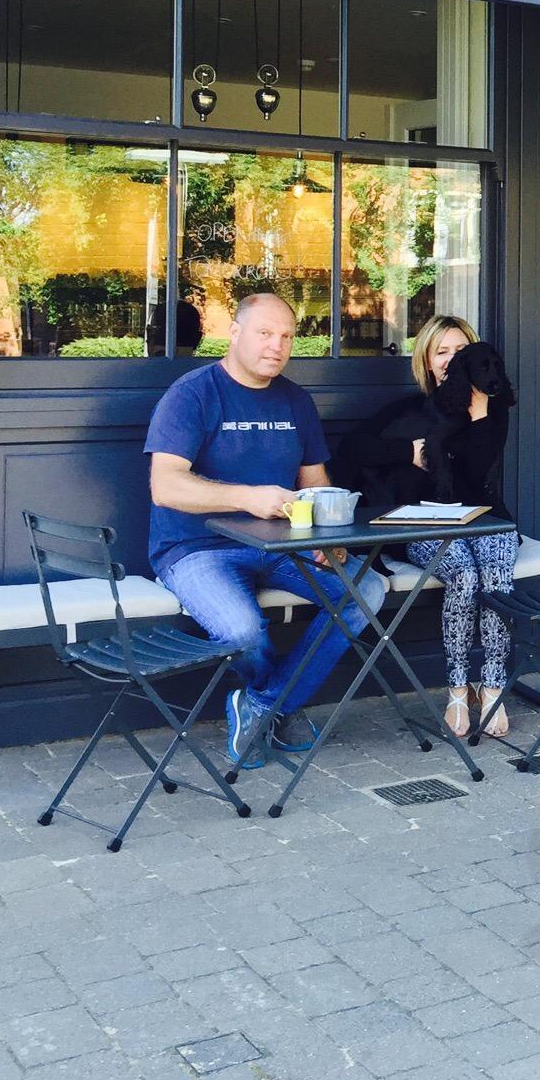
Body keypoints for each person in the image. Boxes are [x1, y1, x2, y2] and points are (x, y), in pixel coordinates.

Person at [147, 292, 385, 770]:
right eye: (265, 333)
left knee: (366, 590)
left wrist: (329, 540)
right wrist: (247, 497)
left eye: (287, 337)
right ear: (235, 333)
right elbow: (165, 486)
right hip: (196, 549)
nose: (277, 346)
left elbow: (315, 484)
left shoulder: (295, 400)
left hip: (281, 546)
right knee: (241, 630)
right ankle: (280, 706)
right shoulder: (192, 394)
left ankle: (262, 704)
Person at [334, 316, 520, 738]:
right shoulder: (409, 409)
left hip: (485, 517)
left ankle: (492, 687)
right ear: (427, 361)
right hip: (424, 521)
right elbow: (353, 447)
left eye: (461, 351)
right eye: (442, 351)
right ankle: (457, 690)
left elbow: (478, 472)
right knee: (464, 575)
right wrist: (409, 452)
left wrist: (479, 413)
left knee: (495, 578)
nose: (451, 360)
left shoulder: (493, 410)